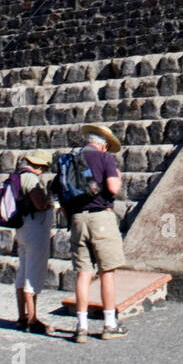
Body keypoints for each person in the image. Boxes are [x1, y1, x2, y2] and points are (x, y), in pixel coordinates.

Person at [69, 123, 127, 343]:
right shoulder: (105, 159)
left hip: (76, 219)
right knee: (107, 271)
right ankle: (109, 323)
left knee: (83, 273)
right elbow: (112, 188)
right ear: (104, 146)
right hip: (100, 217)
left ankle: (81, 326)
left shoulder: (73, 158)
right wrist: (117, 177)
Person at [14, 148, 56, 335]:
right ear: (40, 165)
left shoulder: (18, 176)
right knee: (33, 273)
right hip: (34, 228)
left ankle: (22, 317)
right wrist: (50, 201)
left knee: (22, 272)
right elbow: (39, 204)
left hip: (22, 227)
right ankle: (32, 319)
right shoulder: (31, 179)